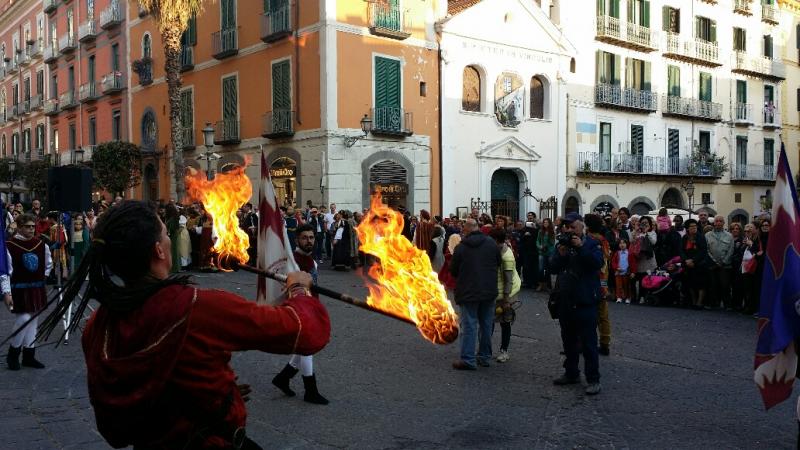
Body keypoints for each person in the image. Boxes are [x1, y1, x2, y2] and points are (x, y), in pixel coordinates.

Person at [35, 201, 330, 449]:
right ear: (160, 251)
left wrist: (212, 394)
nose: (168, 238)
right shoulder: (196, 307)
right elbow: (302, 331)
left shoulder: (98, 325)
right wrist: (300, 289)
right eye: (165, 233)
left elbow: (139, 399)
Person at [271, 224, 329, 405]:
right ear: (297, 240)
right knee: (307, 348)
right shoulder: (292, 262)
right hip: (299, 311)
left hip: (311, 307)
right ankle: (310, 391)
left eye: (311, 237)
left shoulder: (311, 260)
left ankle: (283, 377)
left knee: (304, 348)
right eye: (304, 238)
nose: (309, 241)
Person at [549, 213, 604, 395]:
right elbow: (553, 267)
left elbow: (597, 263)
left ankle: (593, 379)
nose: (570, 230)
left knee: (589, 343)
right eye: (567, 227)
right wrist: (561, 255)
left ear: (582, 227)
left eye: (573, 227)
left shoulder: (592, 243)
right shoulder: (563, 245)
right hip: (566, 300)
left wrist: (581, 248)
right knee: (568, 341)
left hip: (585, 300)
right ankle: (571, 372)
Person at [449, 218, 501, 370]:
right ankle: (484, 357)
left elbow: (453, 270)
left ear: (466, 229)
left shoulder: (461, 247)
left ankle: (468, 359)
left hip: (468, 291)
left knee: (469, 325)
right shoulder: (491, 244)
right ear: (478, 228)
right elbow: (498, 262)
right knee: (486, 325)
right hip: (489, 290)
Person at [3, 213, 52, 370]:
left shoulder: (40, 244)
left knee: (33, 321)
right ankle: (13, 354)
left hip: (36, 288)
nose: (31, 230)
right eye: (27, 227)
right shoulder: (9, 245)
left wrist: (41, 278)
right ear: (19, 226)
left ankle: (29, 355)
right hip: (19, 289)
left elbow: (48, 263)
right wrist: (7, 292)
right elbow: (5, 271)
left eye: (33, 227)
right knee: (23, 319)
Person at [490, 228, 520, 363]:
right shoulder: (495, 250)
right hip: (496, 291)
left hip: (507, 293)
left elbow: (508, 280)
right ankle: (485, 349)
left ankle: (504, 351)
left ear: (496, 240)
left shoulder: (507, 256)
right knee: (488, 321)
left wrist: (506, 300)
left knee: (505, 322)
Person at [585, 214, 612, 355]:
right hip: (603, 279)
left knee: (589, 313)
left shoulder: (590, 240)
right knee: (603, 314)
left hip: (593, 280)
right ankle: (605, 343)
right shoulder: (603, 240)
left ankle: (586, 343)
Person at [705, 215, 734, 310]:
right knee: (712, 284)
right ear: (714, 223)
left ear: (723, 223)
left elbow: (731, 250)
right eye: (716, 221)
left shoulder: (729, 236)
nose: (718, 223)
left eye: (720, 221)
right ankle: (712, 303)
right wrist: (714, 261)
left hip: (725, 265)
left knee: (725, 285)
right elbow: (707, 249)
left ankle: (727, 304)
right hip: (712, 264)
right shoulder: (708, 235)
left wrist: (724, 261)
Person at [681, 219, 709, 310]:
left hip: (699, 264)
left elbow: (703, 251)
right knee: (691, 284)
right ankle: (693, 301)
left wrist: (693, 260)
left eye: (695, 226)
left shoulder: (701, 237)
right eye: (691, 226)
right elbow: (681, 250)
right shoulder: (685, 238)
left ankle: (699, 302)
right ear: (687, 228)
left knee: (701, 284)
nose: (694, 228)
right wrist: (686, 260)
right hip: (688, 264)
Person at [611, 239, 634, 304]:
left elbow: (633, 263)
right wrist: (616, 268)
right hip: (618, 272)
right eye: (620, 243)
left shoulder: (630, 253)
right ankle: (619, 297)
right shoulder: (617, 253)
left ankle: (627, 297)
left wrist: (633, 272)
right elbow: (613, 262)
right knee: (618, 285)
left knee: (627, 285)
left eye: (624, 243)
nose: (622, 244)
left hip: (627, 272)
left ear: (627, 244)